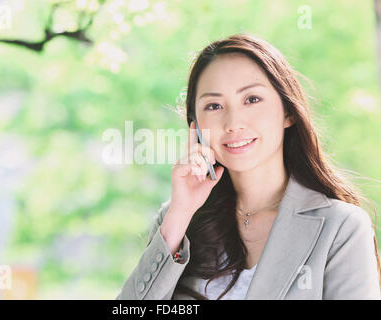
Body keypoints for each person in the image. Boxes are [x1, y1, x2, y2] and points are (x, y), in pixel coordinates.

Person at [116, 33, 381, 300]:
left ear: (288, 111)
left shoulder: (340, 227)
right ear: (195, 126)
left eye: (252, 99)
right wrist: (180, 213)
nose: (233, 122)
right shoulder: (178, 220)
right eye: (214, 105)